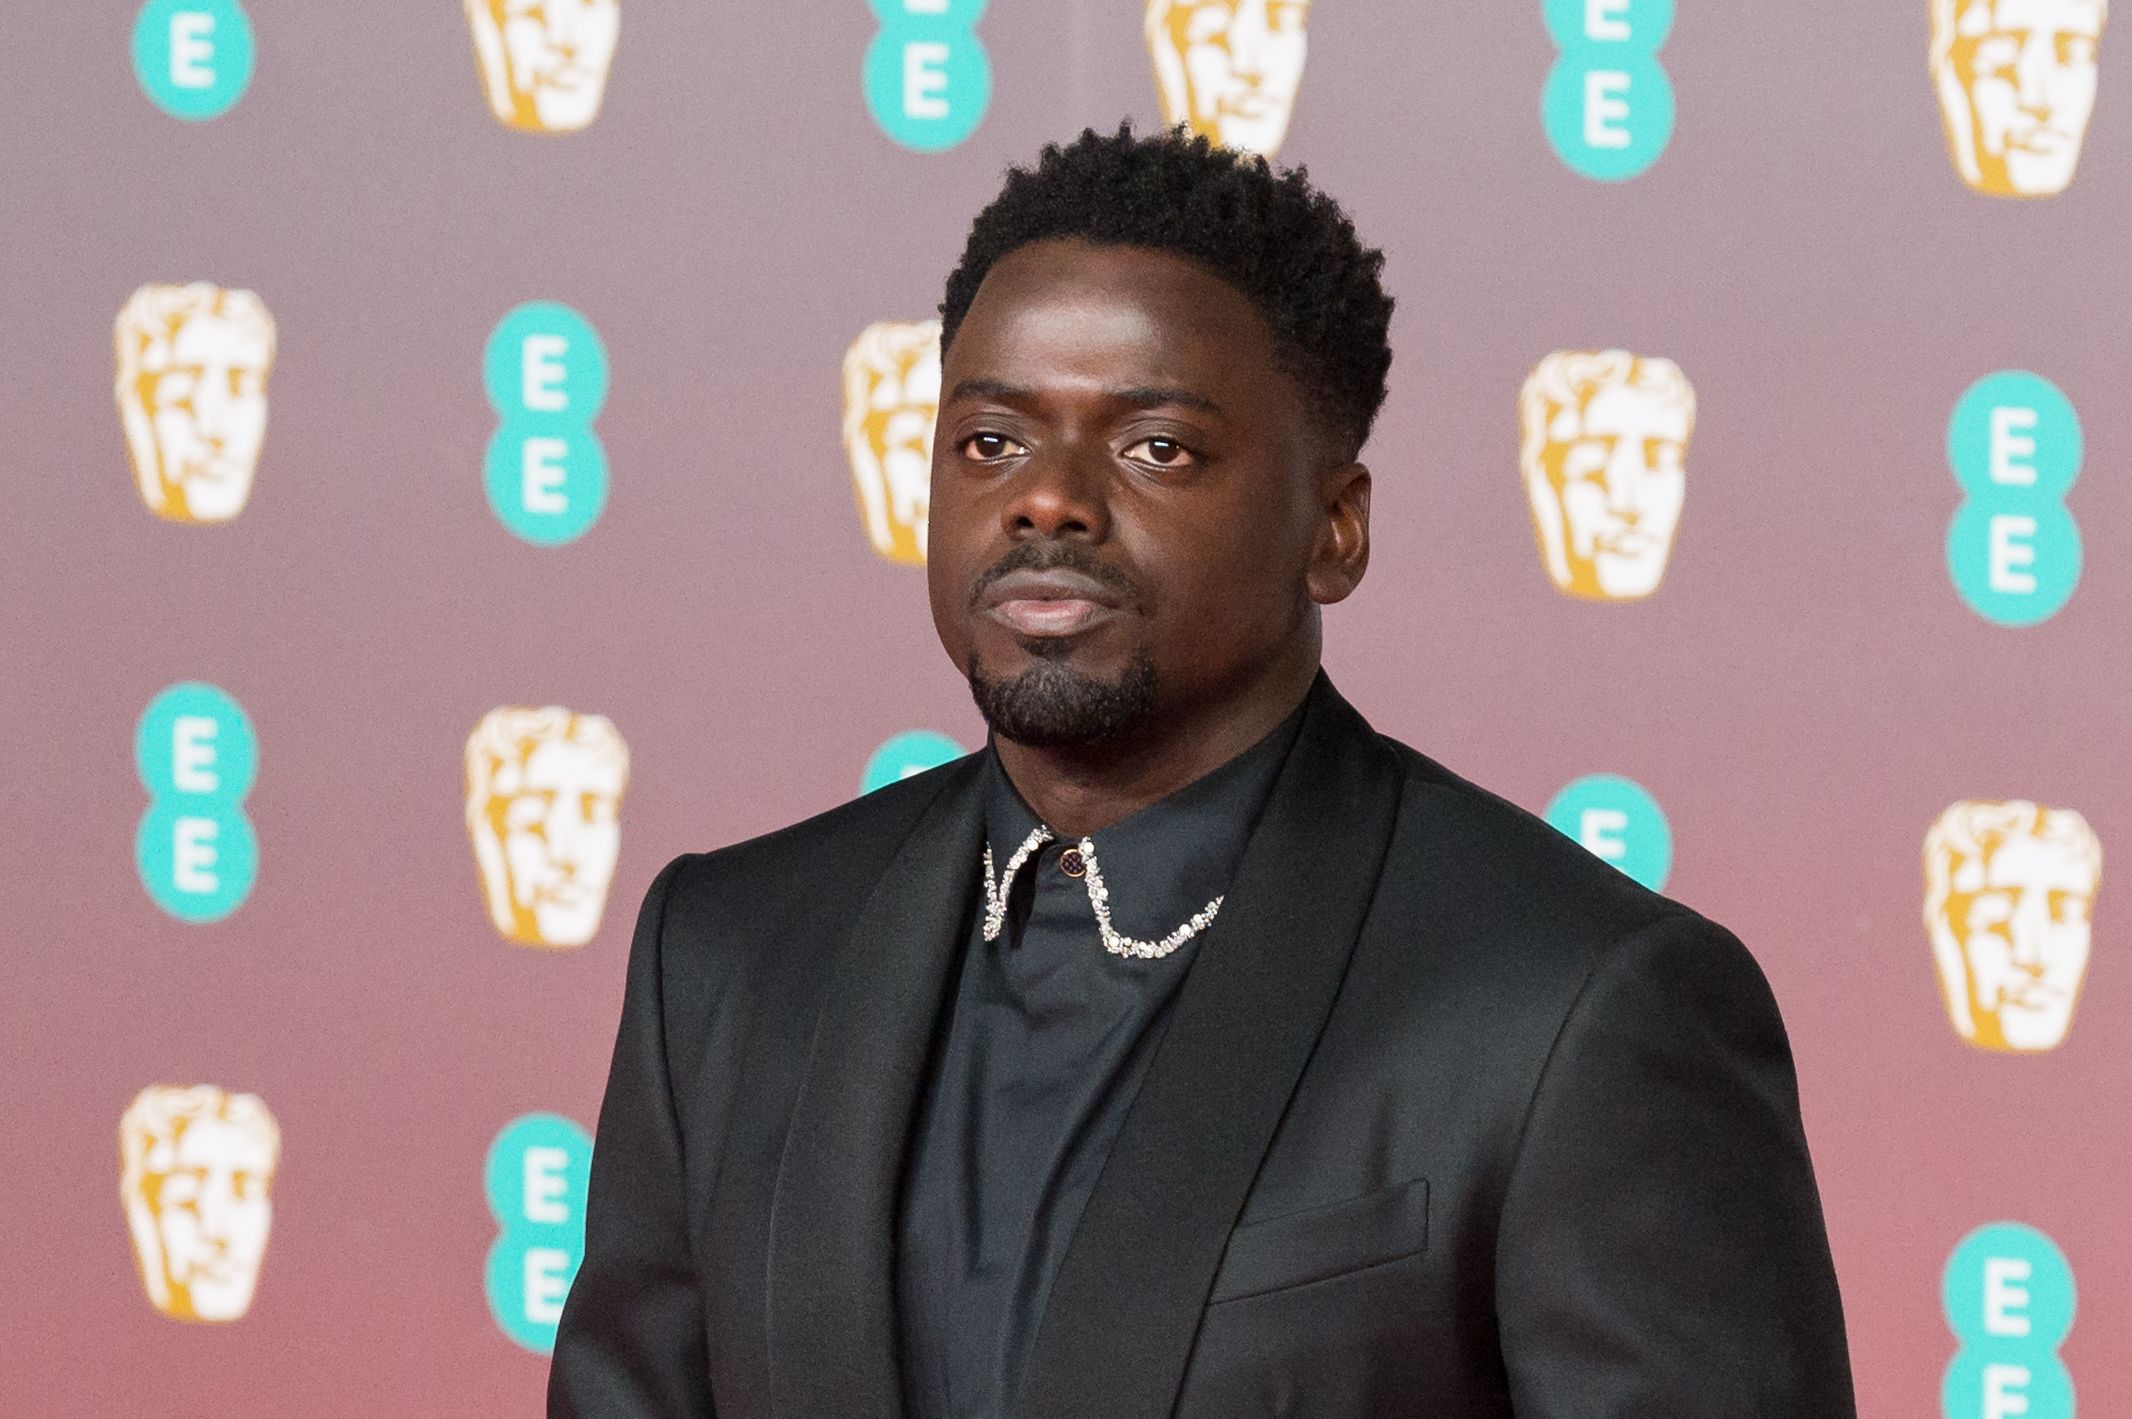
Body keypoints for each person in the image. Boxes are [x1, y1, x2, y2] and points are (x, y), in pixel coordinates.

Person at [550, 125, 1854, 1418]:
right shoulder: (724, 958)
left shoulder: (1581, 1006)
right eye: (991, 441)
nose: (1045, 500)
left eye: (1155, 446)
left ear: (1333, 531)